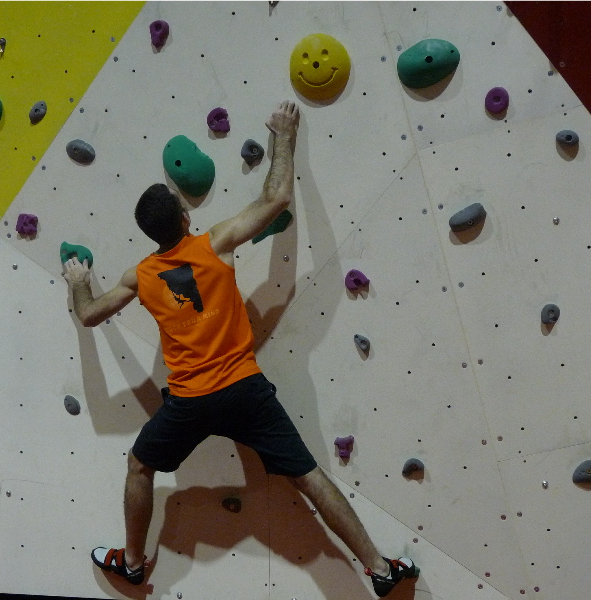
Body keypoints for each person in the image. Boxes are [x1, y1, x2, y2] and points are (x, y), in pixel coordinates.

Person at [62, 100, 419, 597]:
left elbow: (89, 314)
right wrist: (283, 135)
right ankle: (380, 568)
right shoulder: (215, 243)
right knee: (308, 475)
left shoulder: (139, 277)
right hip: (245, 391)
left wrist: (78, 281)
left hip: (189, 403)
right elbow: (276, 197)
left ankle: (135, 563)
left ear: (150, 234)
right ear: (185, 216)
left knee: (139, 467)